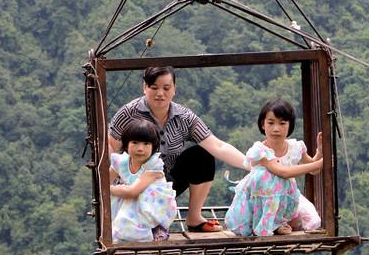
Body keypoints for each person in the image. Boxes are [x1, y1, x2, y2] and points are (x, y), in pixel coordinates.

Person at [108, 65, 248, 232]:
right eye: (154, 87)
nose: (160, 93)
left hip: (164, 184)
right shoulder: (128, 113)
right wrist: (106, 188)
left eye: (166, 88)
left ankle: (194, 218)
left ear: (174, 89)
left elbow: (218, 146)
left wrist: (252, 164)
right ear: (144, 87)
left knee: (203, 155)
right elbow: (110, 148)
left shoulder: (184, 117)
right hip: (132, 182)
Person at [225, 98, 323, 237]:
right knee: (271, 189)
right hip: (261, 198)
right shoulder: (260, 150)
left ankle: (281, 222)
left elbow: (313, 169)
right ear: (263, 124)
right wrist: (320, 163)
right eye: (270, 123)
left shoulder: (295, 147)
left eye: (282, 123)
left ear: (290, 125)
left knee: (312, 220)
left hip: (288, 195)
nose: (276, 128)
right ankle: (270, 224)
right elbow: (282, 172)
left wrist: (319, 153)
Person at [109, 119, 178, 243]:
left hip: (155, 205)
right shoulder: (122, 162)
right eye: (135, 142)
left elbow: (132, 192)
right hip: (135, 202)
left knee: (133, 196)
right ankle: (125, 229)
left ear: (153, 146)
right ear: (126, 144)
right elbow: (104, 181)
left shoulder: (152, 166)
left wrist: (110, 189)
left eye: (146, 144)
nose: (140, 148)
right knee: (115, 199)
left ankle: (155, 228)